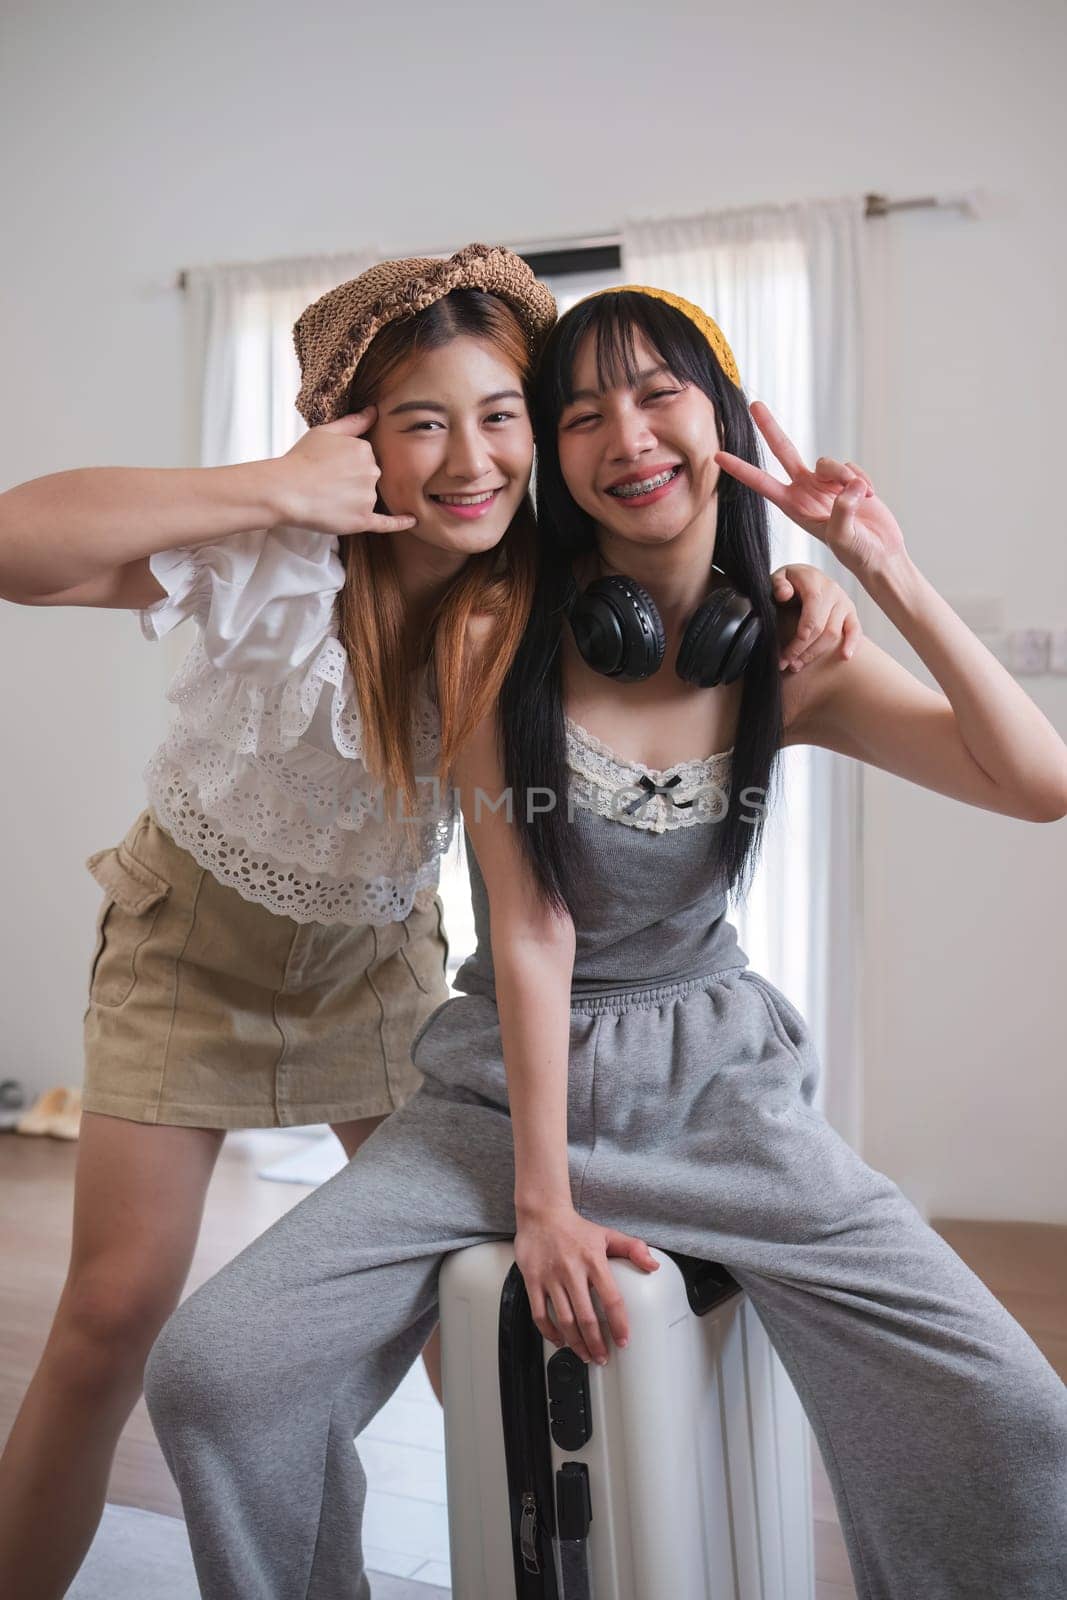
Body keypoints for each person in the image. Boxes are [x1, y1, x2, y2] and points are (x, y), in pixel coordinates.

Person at [142, 284, 1067, 1599]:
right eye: (581, 413)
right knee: (213, 1370)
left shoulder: (791, 657)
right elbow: (530, 925)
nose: (624, 434)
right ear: (561, 465)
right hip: (502, 1095)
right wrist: (544, 1201)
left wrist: (880, 563)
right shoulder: (494, 631)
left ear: (724, 417)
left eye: (656, 395)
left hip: (720, 1096)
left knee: (1021, 1422)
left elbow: (1037, 782)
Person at [0, 251, 853, 1600]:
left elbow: (693, 574)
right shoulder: (271, 558)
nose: (472, 459)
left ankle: (571, 1569)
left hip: (384, 965)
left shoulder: (545, 591)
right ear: (359, 442)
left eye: (504, 414)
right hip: (187, 955)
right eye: (422, 422)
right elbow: (13, 543)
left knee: (489, 1322)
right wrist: (268, 484)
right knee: (109, 1320)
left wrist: (810, 585)